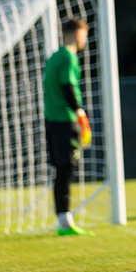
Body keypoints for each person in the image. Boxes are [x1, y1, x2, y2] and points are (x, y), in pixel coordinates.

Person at [43, 17, 94, 236]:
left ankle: (63, 219)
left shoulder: (54, 56)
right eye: (84, 35)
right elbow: (67, 86)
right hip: (65, 119)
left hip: (51, 119)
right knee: (67, 168)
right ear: (78, 34)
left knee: (61, 169)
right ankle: (64, 222)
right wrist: (79, 112)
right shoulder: (68, 57)